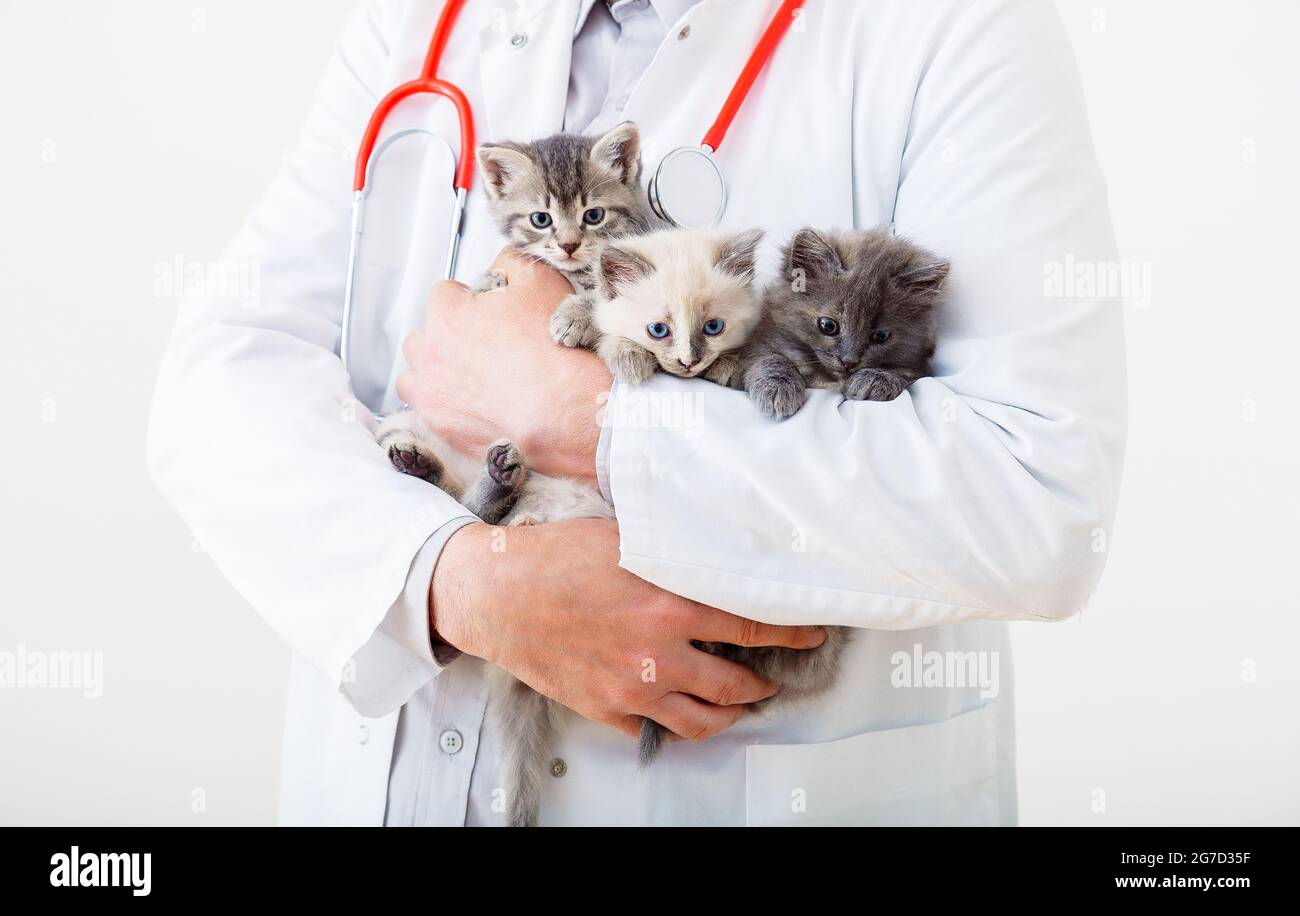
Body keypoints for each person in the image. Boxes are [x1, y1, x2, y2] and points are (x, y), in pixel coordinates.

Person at [147, 0, 1124, 826]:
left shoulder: (957, 28)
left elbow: (1041, 502)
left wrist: (592, 418)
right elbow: (224, 373)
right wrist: (454, 581)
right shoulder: (419, 20)